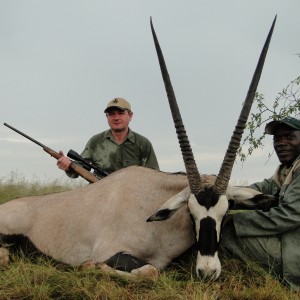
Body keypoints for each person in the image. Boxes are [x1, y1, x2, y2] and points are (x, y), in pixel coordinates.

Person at [220, 116, 300, 291]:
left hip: (294, 252)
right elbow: (258, 190)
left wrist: (236, 221)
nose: (281, 143)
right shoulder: (286, 171)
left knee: (225, 232)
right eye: (277, 138)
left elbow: (288, 215)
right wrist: (221, 194)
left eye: (289, 137)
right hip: (287, 241)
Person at [57, 97, 159, 178]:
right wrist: (68, 166)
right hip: (100, 194)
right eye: (111, 114)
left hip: (132, 196)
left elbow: (154, 176)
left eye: (121, 113)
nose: (116, 118)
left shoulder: (143, 143)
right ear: (107, 117)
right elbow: (79, 170)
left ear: (130, 115)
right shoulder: (95, 142)